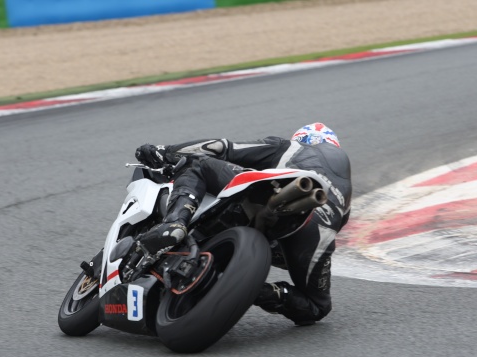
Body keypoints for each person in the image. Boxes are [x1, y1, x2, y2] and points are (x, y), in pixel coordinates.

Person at [134, 123, 352, 326]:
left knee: (198, 164)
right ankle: (256, 290)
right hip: (317, 232)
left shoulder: (292, 146)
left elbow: (221, 147)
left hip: (275, 196)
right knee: (317, 307)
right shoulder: (346, 189)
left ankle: (175, 223)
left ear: (305, 139)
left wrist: (166, 152)